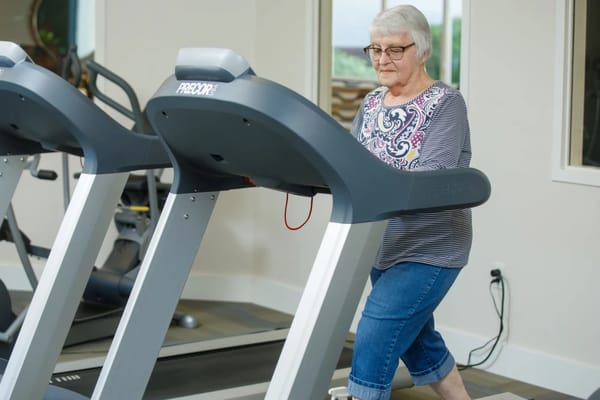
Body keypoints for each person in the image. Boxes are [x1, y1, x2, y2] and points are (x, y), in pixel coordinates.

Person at [347, 5, 473, 400]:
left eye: (395, 50)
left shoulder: (445, 104)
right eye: (375, 49)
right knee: (420, 342)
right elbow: (348, 161)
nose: (382, 59)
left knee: (373, 335)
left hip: (431, 247)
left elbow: (433, 175)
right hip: (382, 244)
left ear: (421, 51)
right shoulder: (370, 104)